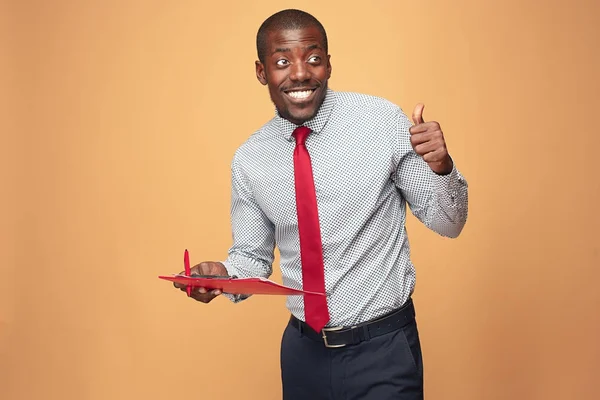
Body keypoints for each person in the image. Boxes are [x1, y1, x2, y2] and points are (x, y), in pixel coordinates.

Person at [174, 8, 468, 400]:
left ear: (328, 65)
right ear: (262, 72)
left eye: (312, 58)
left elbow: (450, 222)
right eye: (282, 61)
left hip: (383, 351)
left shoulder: (381, 122)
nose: (299, 74)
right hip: (302, 356)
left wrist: (442, 168)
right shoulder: (250, 158)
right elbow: (251, 259)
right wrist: (221, 275)